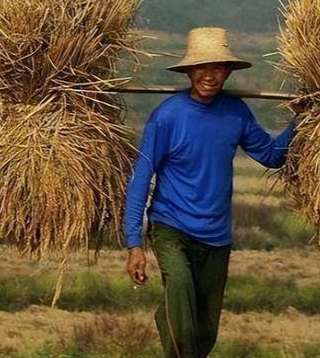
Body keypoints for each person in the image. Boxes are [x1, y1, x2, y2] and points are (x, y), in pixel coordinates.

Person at [124, 27, 296, 358]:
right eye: (202, 67)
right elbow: (141, 178)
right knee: (183, 306)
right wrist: (134, 242)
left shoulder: (236, 113)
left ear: (228, 71)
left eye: (218, 67)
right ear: (189, 71)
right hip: (171, 228)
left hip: (217, 237)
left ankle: (173, 325)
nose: (209, 75)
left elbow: (272, 156)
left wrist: (299, 122)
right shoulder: (167, 117)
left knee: (204, 331)